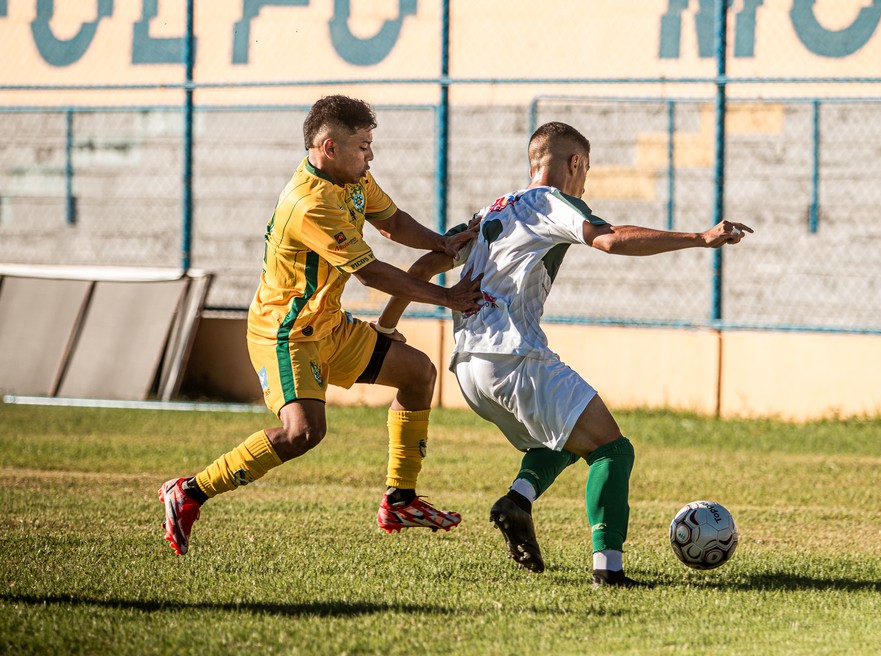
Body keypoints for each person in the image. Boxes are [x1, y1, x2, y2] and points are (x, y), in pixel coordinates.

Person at [374, 121, 752, 586]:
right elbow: (609, 238)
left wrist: (388, 323)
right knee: (612, 448)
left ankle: (518, 499)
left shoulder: (494, 209)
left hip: (469, 369)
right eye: (586, 168)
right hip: (514, 357)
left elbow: (429, 262)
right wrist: (699, 238)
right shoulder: (552, 201)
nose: (586, 180)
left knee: (562, 438)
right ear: (574, 163)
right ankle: (608, 571)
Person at [158, 95, 484, 556]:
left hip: (328, 325)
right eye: (363, 145)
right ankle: (188, 492)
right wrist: (447, 297)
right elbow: (371, 272)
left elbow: (391, 222)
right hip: (286, 334)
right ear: (329, 147)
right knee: (303, 433)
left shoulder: (351, 179)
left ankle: (400, 500)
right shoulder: (309, 203)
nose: (370, 155)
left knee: (417, 373)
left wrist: (443, 243)